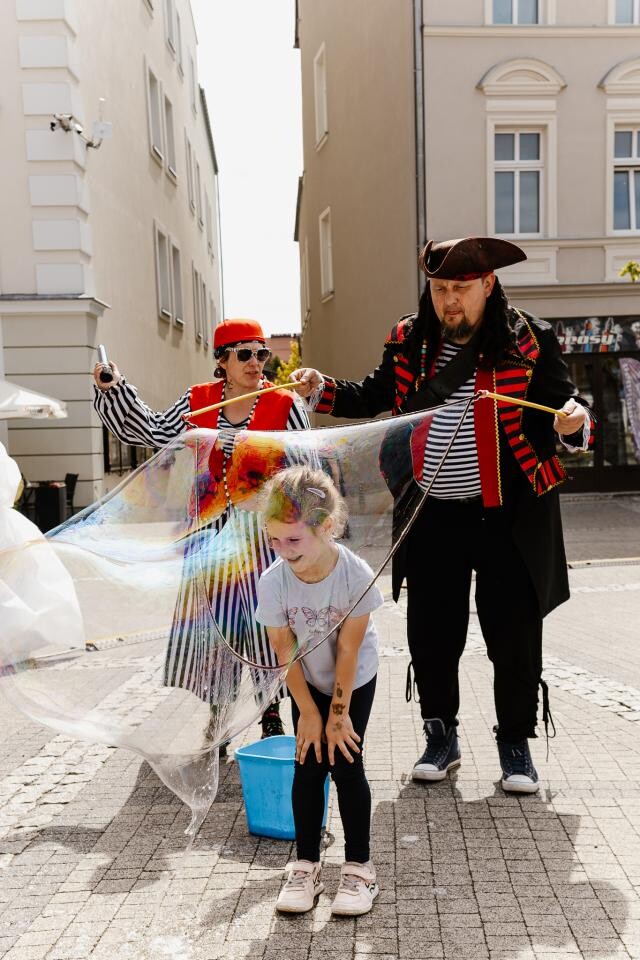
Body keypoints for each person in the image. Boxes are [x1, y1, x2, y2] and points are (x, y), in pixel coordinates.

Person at [292, 237, 595, 794]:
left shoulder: (529, 339)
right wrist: (324, 388)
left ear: (488, 285)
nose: (448, 302)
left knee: (513, 633)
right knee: (432, 631)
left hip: (509, 513)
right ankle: (441, 735)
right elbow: (376, 394)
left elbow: (564, 409)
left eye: (460, 289)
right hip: (431, 513)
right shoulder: (409, 339)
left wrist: (573, 422)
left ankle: (515, 746)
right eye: (439, 290)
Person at [93, 318, 310, 742]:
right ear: (222, 361)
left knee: (270, 624)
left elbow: (309, 466)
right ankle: (219, 712)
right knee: (218, 626)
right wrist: (113, 387)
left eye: (261, 353)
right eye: (244, 354)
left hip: (267, 538)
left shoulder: (284, 403)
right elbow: (153, 431)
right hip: (210, 534)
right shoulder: (199, 400)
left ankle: (271, 710)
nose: (255, 362)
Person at [256, 465, 383, 916]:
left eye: (294, 540)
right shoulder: (272, 582)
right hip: (306, 679)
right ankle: (306, 865)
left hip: (354, 679)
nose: (283, 550)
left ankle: (359, 869)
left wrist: (338, 714)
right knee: (308, 763)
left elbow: (348, 651)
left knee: (346, 761)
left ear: (326, 527)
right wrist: (309, 712)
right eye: (274, 539)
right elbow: (283, 652)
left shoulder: (355, 574)